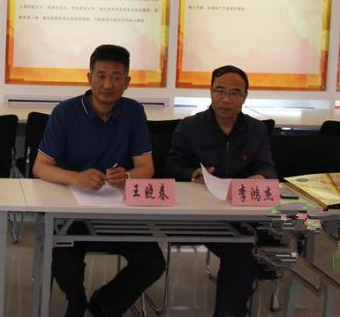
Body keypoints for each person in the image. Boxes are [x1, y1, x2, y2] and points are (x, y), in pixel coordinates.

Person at [33, 44, 166, 317]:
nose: (107, 85)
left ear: (127, 82)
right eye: (101, 76)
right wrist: (76, 177)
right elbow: (40, 167)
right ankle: (77, 303)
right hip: (72, 211)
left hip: (118, 211)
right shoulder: (66, 112)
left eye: (116, 77)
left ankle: (103, 305)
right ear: (89, 77)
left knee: (152, 262)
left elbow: (146, 168)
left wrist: (127, 177)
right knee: (64, 262)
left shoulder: (133, 112)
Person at [165, 64, 277, 317]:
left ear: (245, 97)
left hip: (244, 212)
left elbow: (268, 167)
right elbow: (172, 166)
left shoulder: (256, 130)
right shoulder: (190, 126)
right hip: (203, 214)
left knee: (266, 243)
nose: (226, 99)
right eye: (219, 91)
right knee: (243, 251)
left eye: (235, 93)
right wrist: (194, 173)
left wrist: (258, 178)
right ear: (211, 92)